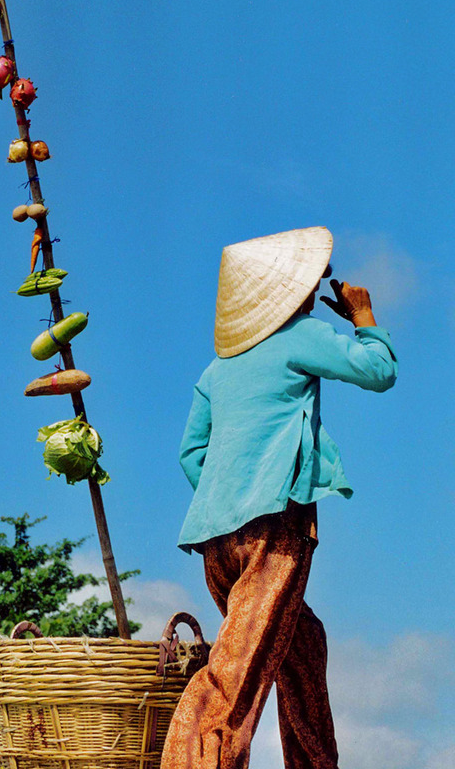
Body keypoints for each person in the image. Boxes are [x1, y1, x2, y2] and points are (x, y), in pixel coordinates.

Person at [161, 226, 397, 769]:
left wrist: (231, 496)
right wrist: (363, 318)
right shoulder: (300, 335)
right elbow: (378, 371)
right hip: (273, 533)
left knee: (301, 648)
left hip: (217, 541)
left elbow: (191, 454)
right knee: (233, 682)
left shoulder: (216, 370)